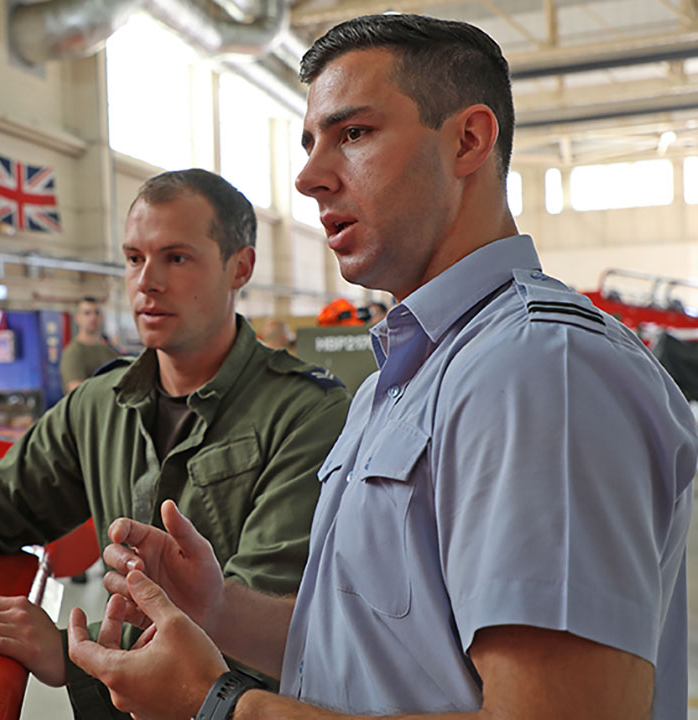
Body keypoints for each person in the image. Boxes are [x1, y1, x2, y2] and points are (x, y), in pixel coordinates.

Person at [67, 14, 698, 720]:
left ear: (469, 140)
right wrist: (218, 608)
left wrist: (218, 705)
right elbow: (374, 654)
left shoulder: (540, 373)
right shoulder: (398, 382)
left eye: (354, 134)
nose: (308, 177)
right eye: (310, 143)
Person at [0, 169, 350, 718]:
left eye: (176, 258)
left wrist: (69, 654)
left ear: (239, 267)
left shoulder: (306, 416)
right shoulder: (99, 404)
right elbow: (1, 505)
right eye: (133, 258)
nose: (146, 281)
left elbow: (262, 636)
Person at [60, 296, 120, 393]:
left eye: (97, 313)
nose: (93, 317)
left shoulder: (110, 352)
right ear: (77, 318)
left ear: (101, 317)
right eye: (87, 313)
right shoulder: (73, 353)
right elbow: (78, 392)